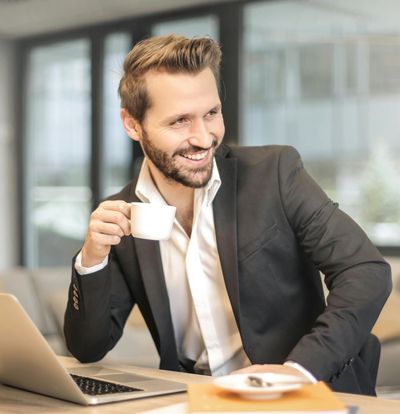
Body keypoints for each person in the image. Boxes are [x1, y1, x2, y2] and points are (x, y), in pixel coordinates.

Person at [64, 34, 391, 395]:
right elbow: (88, 347)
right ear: (132, 125)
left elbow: (365, 271)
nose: (204, 137)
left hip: (301, 392)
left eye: (211, 113)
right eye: (180, 122)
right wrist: (92, 259)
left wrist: (298, 370)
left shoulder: (275, 173)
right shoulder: (124, 214)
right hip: (196, 397)